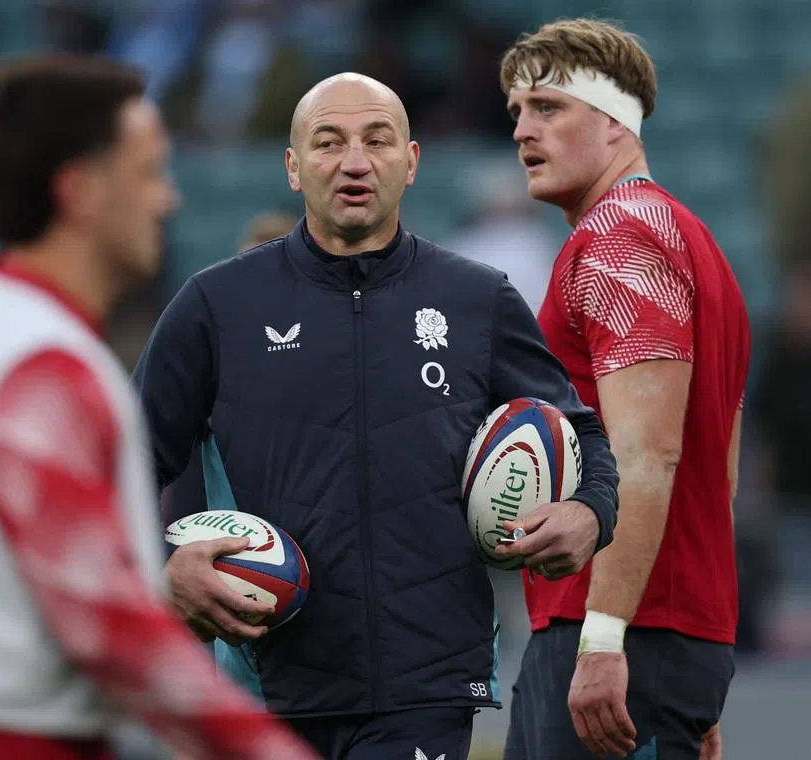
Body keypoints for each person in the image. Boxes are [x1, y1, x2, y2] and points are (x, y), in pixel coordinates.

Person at [0, 54, 317, 760]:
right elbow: (110, 630)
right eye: (149, 172)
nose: (169, 199)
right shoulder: (45, 371)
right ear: (81, 192)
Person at [131, 71, 621, 760]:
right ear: (295, 168)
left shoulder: (477, 300)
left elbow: (586, 434)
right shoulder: (217, 305)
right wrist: (166, 567)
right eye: (329, 143)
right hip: (264, 688)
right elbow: (115, 468)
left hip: (424, 690)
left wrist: (590, 511)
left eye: (377, 141)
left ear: (411, 163)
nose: (354, 161)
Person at [494, 19, 751, 760]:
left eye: (548, 108)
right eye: (516, 112)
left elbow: (650, 456)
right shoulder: (694, 242)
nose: (522, 131)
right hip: (664, 633)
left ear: (614, 124)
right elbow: (719, 474)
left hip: (614, 631)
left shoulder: (621, 237)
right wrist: (687, 669)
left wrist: (607, 642)